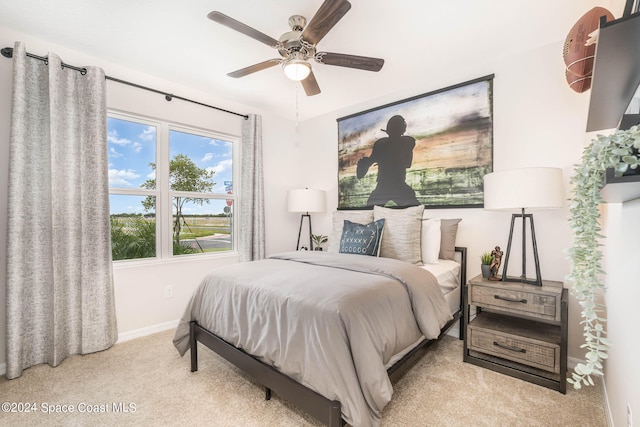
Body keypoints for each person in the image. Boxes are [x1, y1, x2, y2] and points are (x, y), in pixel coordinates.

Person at [357, 115, 419, 207]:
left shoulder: (403, 143)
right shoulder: (403, 143)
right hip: (392, 185)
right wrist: (365, 164)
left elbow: (407, 163)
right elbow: (407, 163)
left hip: (392, 185)